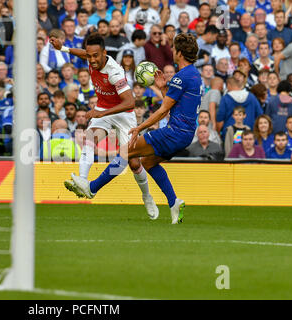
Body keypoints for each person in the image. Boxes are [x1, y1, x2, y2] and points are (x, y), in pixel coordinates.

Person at [65, 33, 202, 225]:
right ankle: (174, 202)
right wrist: (163, 88)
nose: (171, 50)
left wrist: (140, 127)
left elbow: (164, 111)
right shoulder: (195, 75)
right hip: (185, 134)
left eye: (173, 48)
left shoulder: (181, 77)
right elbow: (174, 106)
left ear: (179, 53)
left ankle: (92, 188)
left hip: (174, 132)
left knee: (126, 153)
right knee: (148, 163)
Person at [49, 32, 157, 219]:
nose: (91, 60)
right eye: (89, 56)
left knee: (133, 162)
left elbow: (130, 102)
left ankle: (147, 196)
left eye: (95, 56)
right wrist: (63, 48)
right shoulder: (92, 57)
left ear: (104, 53)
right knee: (89, 138)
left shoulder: (114, 72)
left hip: (123, 115)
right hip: (104, 109)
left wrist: (101, 113)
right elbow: (83, 53)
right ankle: (83, 181)